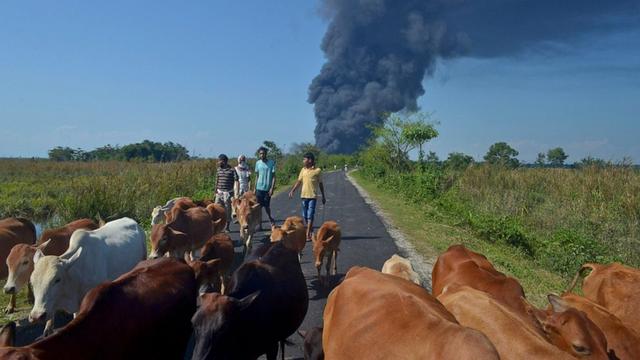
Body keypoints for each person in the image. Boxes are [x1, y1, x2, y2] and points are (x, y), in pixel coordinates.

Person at [289, 152, 326, 241]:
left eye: (304, 159)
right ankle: (310, 228)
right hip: (303, 196)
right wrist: (292, 191)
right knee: (304, 215)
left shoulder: (317, 170)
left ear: (310, 160)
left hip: (312, 196)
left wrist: (323, 196)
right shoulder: (303, 170)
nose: (303, 161)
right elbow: (299, 181)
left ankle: (308, 233)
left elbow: (321, 184)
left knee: (310, 215)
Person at [254, 146, 276, 229]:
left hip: (267, 189)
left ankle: (271, 220)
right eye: (260, 154)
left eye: (263, 153)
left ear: (266, 154)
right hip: (259, 188)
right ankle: (260, 225)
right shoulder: (258, 163)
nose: (261, 155)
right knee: (258, 207)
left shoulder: (271, 163)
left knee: (267, 207)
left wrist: (272, 188)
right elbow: (257, 176)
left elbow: (274, 177)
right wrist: (254, 188)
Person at [214, 153, 237, 232]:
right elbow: (217, 180)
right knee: (216, 209)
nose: (218, 162)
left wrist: (234, 193)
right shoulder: (218, 170)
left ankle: (227, 227)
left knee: (227, 210)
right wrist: (215, 191)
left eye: (220, 161)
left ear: (224, 161)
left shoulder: (232, 170)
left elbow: (236, 180)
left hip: (228, 192)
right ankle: (218, 226)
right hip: (219, 192)